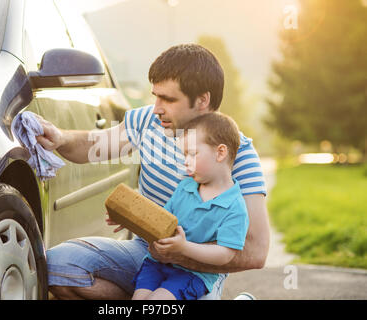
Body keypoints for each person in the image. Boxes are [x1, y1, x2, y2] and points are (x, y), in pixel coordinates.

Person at [36, 44, 270, 300]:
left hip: (199, 271)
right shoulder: (149, 121)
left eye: (168, 99)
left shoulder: (238, 154)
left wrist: (182, 253)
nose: (157, 107)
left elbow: (256, 251)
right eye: (156, 96)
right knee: (58, 267)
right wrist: (59, 138)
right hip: (146, 253)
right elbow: (94, 146)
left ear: (203, 100)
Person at [132, 112, 249, 300]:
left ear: (220, 152)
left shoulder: (234, 206)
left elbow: (225, 254)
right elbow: (162, 220)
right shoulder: (185, 187)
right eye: (184, 154)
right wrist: (129, 217)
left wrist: (184, 248)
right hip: (157, 263)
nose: (186, 161)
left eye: (193, 153)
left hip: (192, 273)